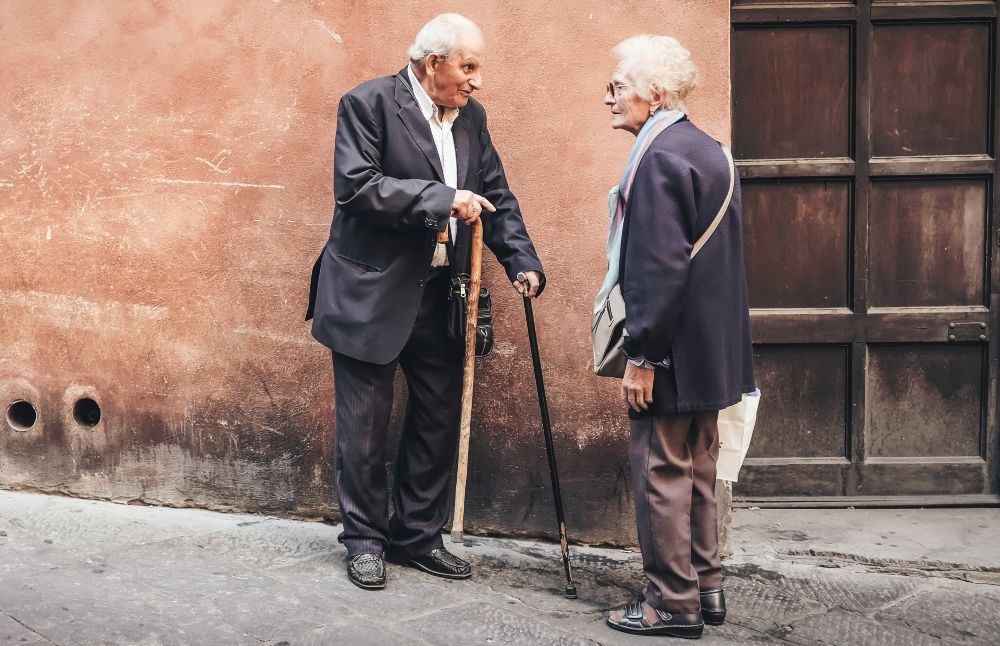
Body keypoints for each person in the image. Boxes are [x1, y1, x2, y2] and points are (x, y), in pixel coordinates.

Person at [306, 13, 545, 591]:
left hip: (443, 295)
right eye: (468, 66)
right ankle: (364, 540)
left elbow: (496, 195)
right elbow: (358, 187)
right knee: (363, 429)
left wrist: (522, 261)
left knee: (437, 421)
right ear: (432, 62)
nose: (476, 81)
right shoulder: (367, 104)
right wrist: (442, 198)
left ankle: (417, 535)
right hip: (370, 293)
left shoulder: (473, 119)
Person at [597, 35, 755, 639]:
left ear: (655, 93)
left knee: (662, 471)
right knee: (698, 469)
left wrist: (643, 355)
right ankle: (706, 588)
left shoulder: (659, 156)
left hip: (671, 352)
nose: (609, 97)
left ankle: (671, 603)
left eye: (619, 86)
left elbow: (659, 268)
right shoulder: (710, 149)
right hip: (710, 350)